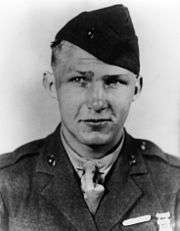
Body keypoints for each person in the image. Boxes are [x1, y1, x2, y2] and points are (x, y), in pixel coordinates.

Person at [0, 4, 180, 231]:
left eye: (113, 81)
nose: (97, 103)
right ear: (52, 85)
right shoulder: (6, 184)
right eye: (79, 80)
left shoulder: (172, 183)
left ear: (136, 88)